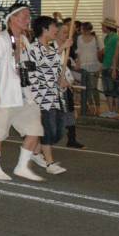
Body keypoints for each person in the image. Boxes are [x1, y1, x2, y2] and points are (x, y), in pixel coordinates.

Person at [0, 1, 44, 181]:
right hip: (4, 95)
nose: (28, 20)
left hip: (24, 94)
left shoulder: (24, 40)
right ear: (13, 18)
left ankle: (21, 166)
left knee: (35, 129)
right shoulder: (0, 39)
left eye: (28, 16)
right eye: (24, 16)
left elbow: (28, 63)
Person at [27, 16, 70, 175]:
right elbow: (40, 66)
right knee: (48, 130)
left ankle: (35, 152)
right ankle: (50, 163)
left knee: (58, 132)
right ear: (44, 29)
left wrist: (63, 79)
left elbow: (57, 69)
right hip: (41, 97)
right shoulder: (32, 49)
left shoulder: (52, 49)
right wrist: (61, 49)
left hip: (55, 96)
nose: (56, 31)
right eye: (54, 28)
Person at [76, 21, 101, 115]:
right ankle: (89, 106)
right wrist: (78, 62)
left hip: (94, 65)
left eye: (82, 28)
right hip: (83, 65)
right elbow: (78, 51)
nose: (81, 30)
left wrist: (101, 65)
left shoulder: (96, 38)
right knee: (85, 87)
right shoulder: (79, 38)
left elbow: (101, 51)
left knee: (93, 88)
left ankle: (98, 107)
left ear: (86, 29)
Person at [100, 18, 119, 117]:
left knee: (114, 89)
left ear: (108, 27)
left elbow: (116, 54)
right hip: (105, 65)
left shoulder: (116, 38)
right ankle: (110, 110)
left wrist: (114, 68)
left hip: (112, 67)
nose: (102, 27)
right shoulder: (107, 38)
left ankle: (115, 111)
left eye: (103, 26)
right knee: (107, 89)